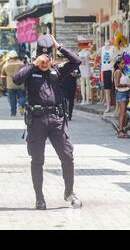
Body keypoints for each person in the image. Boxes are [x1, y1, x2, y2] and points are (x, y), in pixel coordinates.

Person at [12, 34, 82, 210]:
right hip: (36, 121)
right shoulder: (30, 70)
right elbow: (16, 79)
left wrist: (59, 47)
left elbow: (76, 61)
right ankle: (39, 197)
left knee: (67, 156)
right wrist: (34, 64)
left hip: (57, 120)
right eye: (42, 58)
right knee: (37, 160)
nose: (45, 62)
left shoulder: (57, 70)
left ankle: (69, 192)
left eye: (47, 58)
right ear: (37, 56)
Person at [113, 56, 130, 138]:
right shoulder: (118, 72)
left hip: (127, 93)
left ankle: (122, 129)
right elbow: (117, 84)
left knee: (124, 113)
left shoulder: (124, 72)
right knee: (122, 112)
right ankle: (120, 130)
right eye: (122, 63)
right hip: (121, 94)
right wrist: (127, 85)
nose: (124, 65)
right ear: (118, 65)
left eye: (124, 63)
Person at [1, 50, 26, 116]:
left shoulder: (6, 65)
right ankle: (21, 105)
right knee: (22, 96)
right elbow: (25, 73)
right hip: (20, 84)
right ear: (16, 56)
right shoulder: (21, 64)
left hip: (10, 85)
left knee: (12, 100)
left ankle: (13, 112)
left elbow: (3, 73)